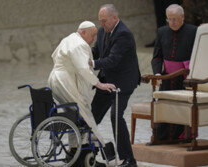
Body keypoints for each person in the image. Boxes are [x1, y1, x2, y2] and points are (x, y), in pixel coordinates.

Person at [47, 21, 116, 154]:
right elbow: (83, 68)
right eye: (92, 35)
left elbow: (54, 56)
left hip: (55, 78)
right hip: (64, 81)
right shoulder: (79, 44)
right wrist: (99, 84)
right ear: (83, 32)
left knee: (74, 114)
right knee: (84, 113)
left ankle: (75, 150)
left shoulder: (69, 39)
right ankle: (89, 150)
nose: (94, 39)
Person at [89, 4, 140, 167]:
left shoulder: (123, 34)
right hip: (106, 80)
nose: (101, 25)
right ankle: (87, 154)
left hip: (122, 82)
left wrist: (91, 63)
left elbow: (113, 60)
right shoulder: (103, 30)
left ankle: (129, 160)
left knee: (115, 117)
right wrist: (82, 54)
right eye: (100, 21)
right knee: (91, 117)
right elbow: (97, 51)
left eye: (104, 21)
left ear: (115, 18)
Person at [151, 4, 197, 141]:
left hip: (185, 78)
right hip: (166, 78)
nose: (172, 22)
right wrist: (158, 74)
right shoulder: (161, 32)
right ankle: (163, 138)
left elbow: (198, 56)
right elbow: (157, 57)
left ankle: (183, 138)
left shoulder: (193, 31)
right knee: (164, 108)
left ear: (182, 17)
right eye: (169, 19)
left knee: (182, 110)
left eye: (175, 19)